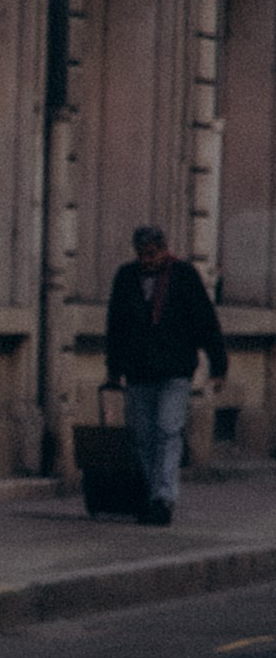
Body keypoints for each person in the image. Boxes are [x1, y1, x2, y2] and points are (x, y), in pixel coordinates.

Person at [105, 224, 227, 525]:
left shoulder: (183, 275)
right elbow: (116, 325)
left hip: (175, 370)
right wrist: (113, 369)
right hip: (138, 371)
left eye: (152, 253)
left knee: (168, 431)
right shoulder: (126, 277)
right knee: (143, 436)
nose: (147, 260)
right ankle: (150, 494)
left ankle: (164, 498)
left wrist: (219, 364)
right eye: (141, 254)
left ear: (163, 248)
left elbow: (205, 320)